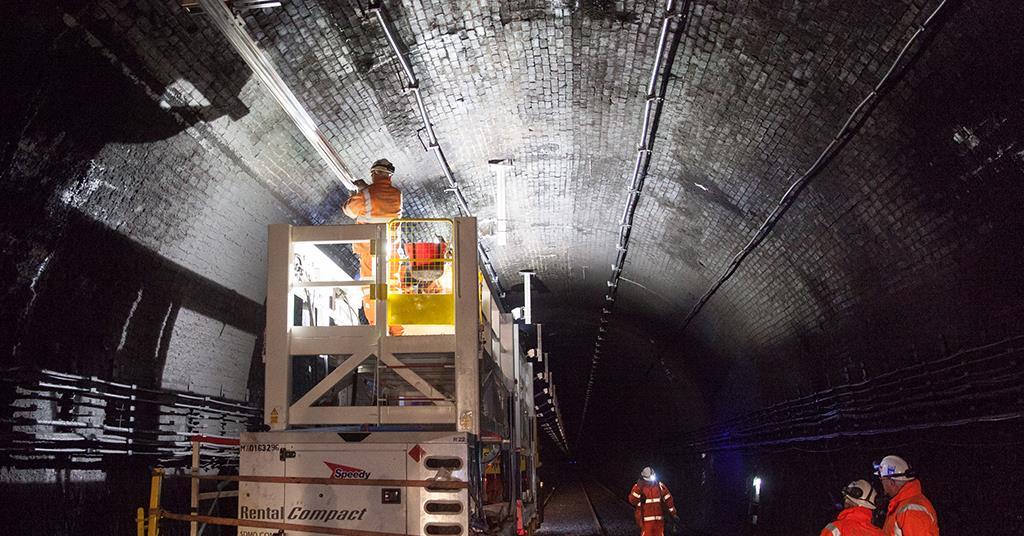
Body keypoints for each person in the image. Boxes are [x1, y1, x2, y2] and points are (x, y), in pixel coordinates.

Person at [342, 159, 403, 334]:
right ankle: (397, 330)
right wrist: (365, 189)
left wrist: (360, 191)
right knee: (393, 286)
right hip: (391, 250)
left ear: (373, 173)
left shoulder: (366, 194)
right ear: (390, 176)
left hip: (369, 250)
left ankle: (376, 327)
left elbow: (349, 210)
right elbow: (381, 200)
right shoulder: (398, 195)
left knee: (371, 288)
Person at [874, 455, 938, 536]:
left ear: (891, 482)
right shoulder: (902, 506)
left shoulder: (911, 510)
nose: (882, 486)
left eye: (882, 480)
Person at [627, 467, 678, 536]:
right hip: (645, 522)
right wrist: (638, 490)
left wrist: (673, 514)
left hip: (659, 521)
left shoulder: (660, 486)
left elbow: (668, 500)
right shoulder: (638, 487)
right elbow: (632, 501)